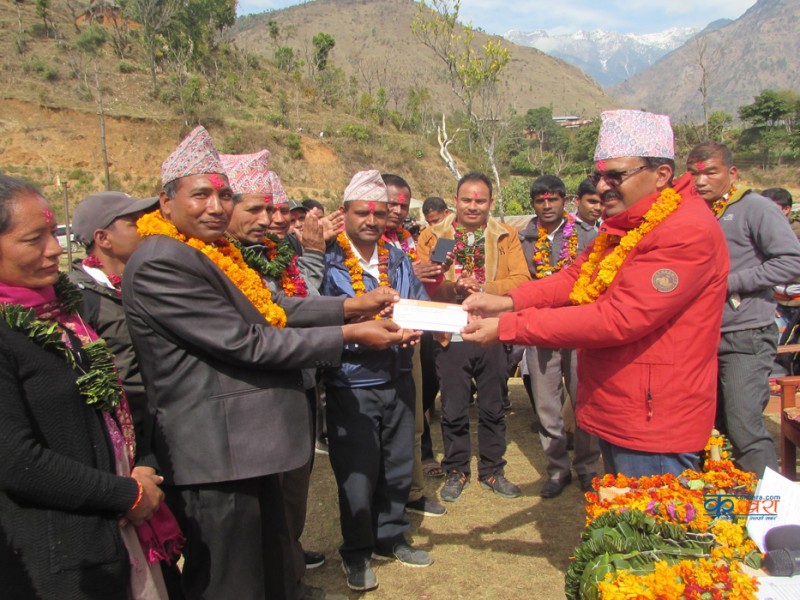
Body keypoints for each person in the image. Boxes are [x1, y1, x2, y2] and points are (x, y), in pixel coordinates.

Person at [123, 126, 416, 600]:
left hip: (249, 445)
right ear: (165, 202)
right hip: (215, 453)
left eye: (223, 195)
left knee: (273, 565)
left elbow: (277, 305)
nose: (215, 207)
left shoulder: (216, 252)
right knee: (231, 580)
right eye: (200, 195)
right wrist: (349, 334)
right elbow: (248, 342)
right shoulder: (163, 261)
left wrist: (353, 306)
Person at [461, 110, 729, 479]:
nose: (603, 187)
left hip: (654, 419)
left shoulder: (683, 230)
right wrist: (508, 300)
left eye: (616, 175)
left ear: (662, 175)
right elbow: (576, 277)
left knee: (646, 532)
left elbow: (619, 318)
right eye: (598, 176)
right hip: (623, 402)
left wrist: (508, 326)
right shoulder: (627, 222)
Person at [0, 174, 172, 599]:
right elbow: (16, 459)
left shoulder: (65, 312)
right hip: (63, 555)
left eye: (52, 232)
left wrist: (143, 463)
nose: (54, 248)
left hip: (117, 529)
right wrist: (123, 493)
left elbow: (114, 404)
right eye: (33, 238)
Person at [220, 150, 327, 594]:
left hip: (297, 385)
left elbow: (300, 305)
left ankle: (292, 564)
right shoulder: (217, 261)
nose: (271, 219)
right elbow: (269, 327)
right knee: (268, 509)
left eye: (276, 209)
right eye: (259, 209)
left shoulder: (273, 254)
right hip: (255, 401)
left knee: (293, 495)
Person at [321, 170, 433, 592]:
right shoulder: (327, 258)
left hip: (399, 375)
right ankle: (357, 552)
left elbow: (416, 301)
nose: (371, 219)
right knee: (357, 472)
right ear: (344, 212)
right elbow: (316, 311)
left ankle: (391, 537)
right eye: (362, 212)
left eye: (379, 213)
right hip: (351, 383)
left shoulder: (397, 257)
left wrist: (419, 322)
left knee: (399, 463)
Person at [687, 142, 800, 476]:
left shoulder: (755, 208)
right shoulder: (690, 211)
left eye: (710, 172)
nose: (701, 180)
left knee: (744, 426)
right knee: (708, 425)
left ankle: (771, 515)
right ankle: (722, 508)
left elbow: (791, 261)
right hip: (699, 335)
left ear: (731, 173)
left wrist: (730, 282)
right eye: (694, 173)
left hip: (744, 333)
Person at [416, 171, 530, 501]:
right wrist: (452, 285)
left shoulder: (505, 235)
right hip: (450, 333)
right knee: (453, 408)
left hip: (492, 332)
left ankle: (493, 470)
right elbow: (425, 283)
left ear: (490, 203)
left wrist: (484, 288)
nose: (473, 206)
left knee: (493, 406)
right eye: (467, 199)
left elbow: (520, 280)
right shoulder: (435, 236)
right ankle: (457, 469)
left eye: (480, 200)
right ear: (455, 201)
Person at [519, 175, 600, 497]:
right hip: (540, 331)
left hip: (581, 331)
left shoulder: (589, 235)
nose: (547, 205)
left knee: (585, 402)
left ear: (565, 201)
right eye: (540, 200)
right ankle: (556, 470)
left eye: (553, 199)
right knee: (547, 407)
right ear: (533, 204)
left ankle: (588, 468)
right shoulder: (522, 238)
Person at [69, 192, 159, 447]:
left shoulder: (145, 280)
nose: (147, 228)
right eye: (134, 222)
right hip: (132, 441)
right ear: (103, 238)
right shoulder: (80, 298)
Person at [381, 173, 447, 518]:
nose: (397, 210)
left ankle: (414, 491)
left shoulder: (409, 239)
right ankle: (392, 499)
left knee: (415, 415)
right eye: (392, 203)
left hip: (415, 338)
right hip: (377, 344)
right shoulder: (357, 243)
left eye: (403, 205)